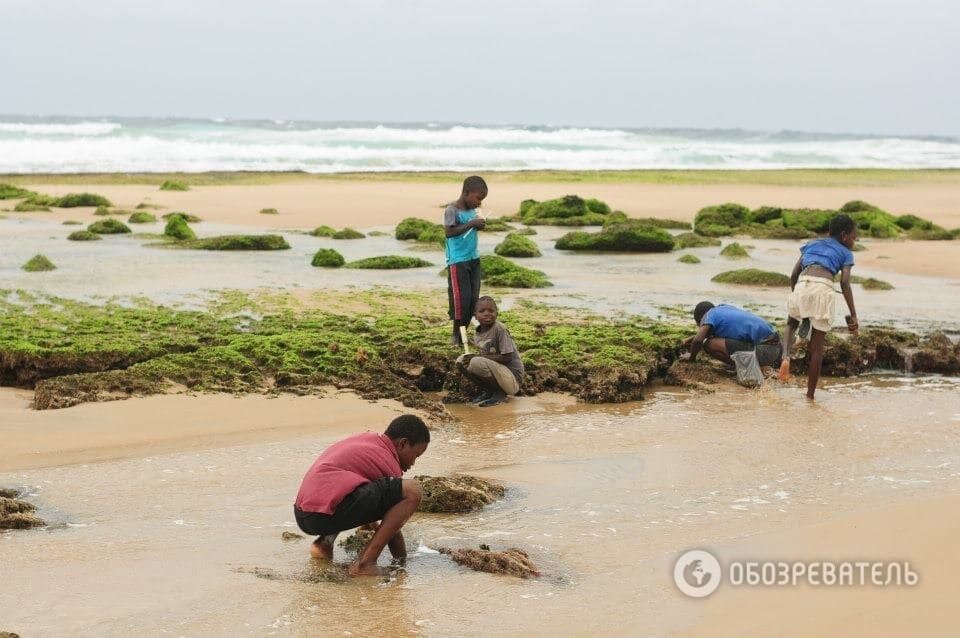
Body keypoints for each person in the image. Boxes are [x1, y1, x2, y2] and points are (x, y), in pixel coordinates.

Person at [293, 414, 430, 576]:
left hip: (304, 514)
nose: (413, 463)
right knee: (412, 490)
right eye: (416, 455)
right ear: (403, 444)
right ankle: (365, 564)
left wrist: (369, 523)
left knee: (351, 485)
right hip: (321, 515)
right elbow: (392, 524)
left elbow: (366, 497)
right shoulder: (388, 462)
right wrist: (401, 561)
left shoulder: (369, 441)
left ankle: (324, 543)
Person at [778, 213, 859, 399]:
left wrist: (797, 297)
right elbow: (844, 283)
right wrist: (853, 314)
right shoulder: (846, 253)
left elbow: (793, 275)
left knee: (791, 323)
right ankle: (810, 396)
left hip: (802, 283)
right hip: (823, 288)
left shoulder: (811, 244)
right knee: (817, 348)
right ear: (845, 235)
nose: (854, 242)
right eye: (854, 237)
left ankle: (785, 357)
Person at [456, 296, 524, 406]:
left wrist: (476, 357)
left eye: (491, 310)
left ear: (496, 313)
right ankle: (489, 391)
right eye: (482, 311)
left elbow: (508, 357)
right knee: (461, 361)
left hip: (512, 380)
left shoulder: (499, 328)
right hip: (499, 375)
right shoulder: (477, 334)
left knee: (476, 362)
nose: (487, 313)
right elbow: (485, 360)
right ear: (475, 316)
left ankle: (499, 393)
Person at [445, 175, 488, 346]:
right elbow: (449, 232)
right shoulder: (452, 210)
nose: (479, 203)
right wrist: (471, 224)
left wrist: (479, 224)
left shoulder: (472, 210)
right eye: (478, 198)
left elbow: (472, 225)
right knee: (461, 299)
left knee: (472, 299)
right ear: (466, 193)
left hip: (473, 259)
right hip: (458, 261)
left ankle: (465, 331)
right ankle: (456, 334)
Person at [682, 301, 782, 368]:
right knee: (714, 340)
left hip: (763, 351)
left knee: (708, 344)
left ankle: (744, 368)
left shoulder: (709, 315)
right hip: (776, 350)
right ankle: (753, 366)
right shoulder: (725, 309)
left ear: (701, 317)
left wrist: (691, 357)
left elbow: (699, 340)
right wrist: (691, 338)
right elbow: (709, 334)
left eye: (699, 324)